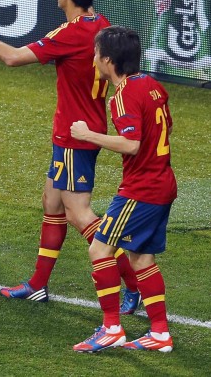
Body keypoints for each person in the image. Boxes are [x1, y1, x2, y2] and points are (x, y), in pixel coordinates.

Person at [0, 0, 139, 308]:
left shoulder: (71, 34)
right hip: (80, 131)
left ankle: (133, 285)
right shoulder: (100, 25)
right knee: (52, 203)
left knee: (79, 214)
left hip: (75, 137)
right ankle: (38, 285)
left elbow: (12, 58)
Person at [70, 26, 177, 353]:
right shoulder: (152, 85)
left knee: (99, 250)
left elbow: (132, 144)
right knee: (141, 258)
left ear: (108, 60)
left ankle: (111, 328)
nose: (93, 58)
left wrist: (88, 135)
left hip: (141, 190)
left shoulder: (123, 95)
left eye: (96, 53)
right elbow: (165, 127)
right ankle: (160, 333)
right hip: (163, 184)